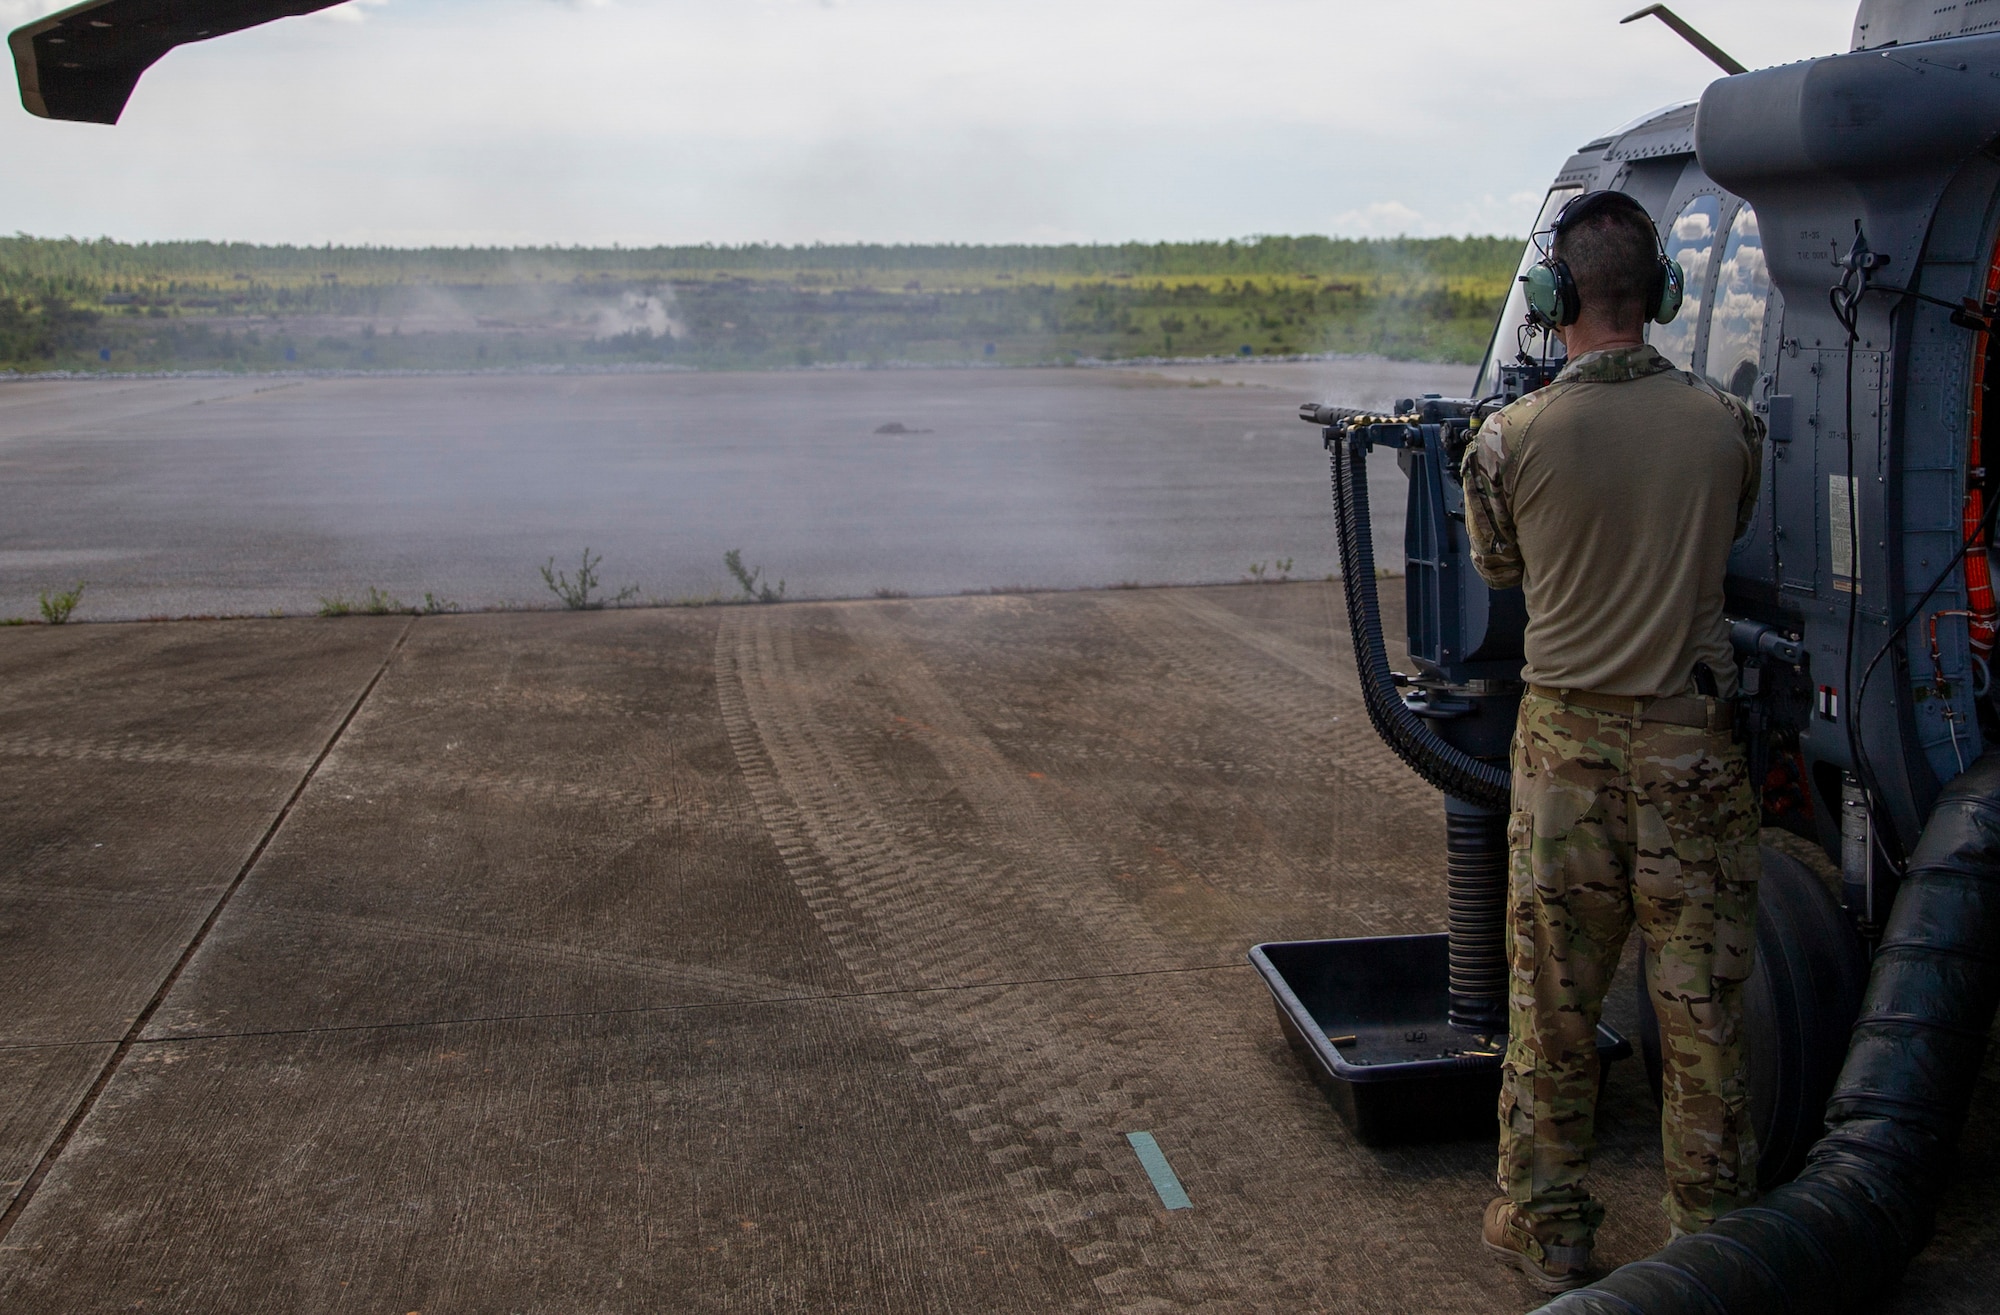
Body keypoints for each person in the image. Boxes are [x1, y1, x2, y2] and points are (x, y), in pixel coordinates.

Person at [1458, 189, 1766, 1293]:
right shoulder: (1728, 425)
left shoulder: (1508, 441)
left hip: (1563, 766)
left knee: (1550, 1005)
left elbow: (1499, 571)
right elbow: (1725, 529)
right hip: (1692, 752)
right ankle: (1713, 1244)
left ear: (1551, 298)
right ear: (1665, 295)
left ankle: (1548, 1230)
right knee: (1700, 1013)